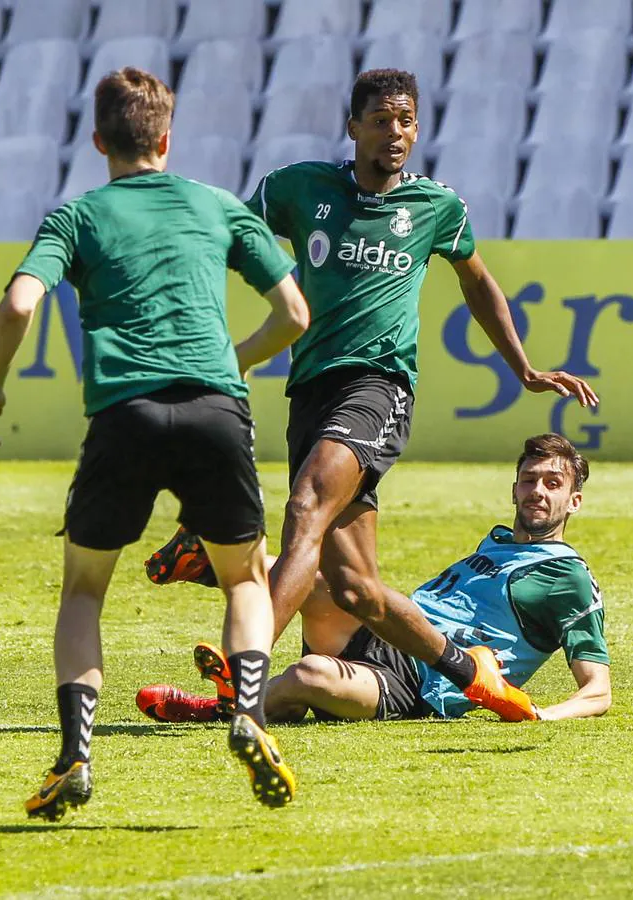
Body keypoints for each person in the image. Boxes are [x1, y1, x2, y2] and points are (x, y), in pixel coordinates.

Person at [146, 69, 600, 723]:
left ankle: (244, 672)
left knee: (304, 507)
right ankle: (471, 672)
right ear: (353, 126)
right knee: (357, 589)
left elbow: (477, 282)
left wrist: (522, 366)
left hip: (378, 387)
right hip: (310, 390)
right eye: (382, 120)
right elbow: (229, 242)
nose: (396, 133)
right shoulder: (299, 189)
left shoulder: (435, 208)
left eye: (406, 120)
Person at [0, 67, 310, 817]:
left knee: (85, 589)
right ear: (166, 138)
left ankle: (75, 756)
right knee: (245, 578)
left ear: (99, 141)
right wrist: (231, 361)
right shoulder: (218, 206)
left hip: (123, 416)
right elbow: (293, 313)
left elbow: (20, 303)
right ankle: (249, 715)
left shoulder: (79, 216)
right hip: (215, 409)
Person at [138, 434, 611, 725]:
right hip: (392, 630)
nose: (537, 492)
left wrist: (541, 713)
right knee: (322, 574)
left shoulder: (566, 576)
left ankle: (223, 703)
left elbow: (598, 691)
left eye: (553, 484)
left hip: (422, 683)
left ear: (575, 502)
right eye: (530, 480)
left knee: (310, 674)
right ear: (514, 489)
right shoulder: (499, 541)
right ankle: (212, 557)